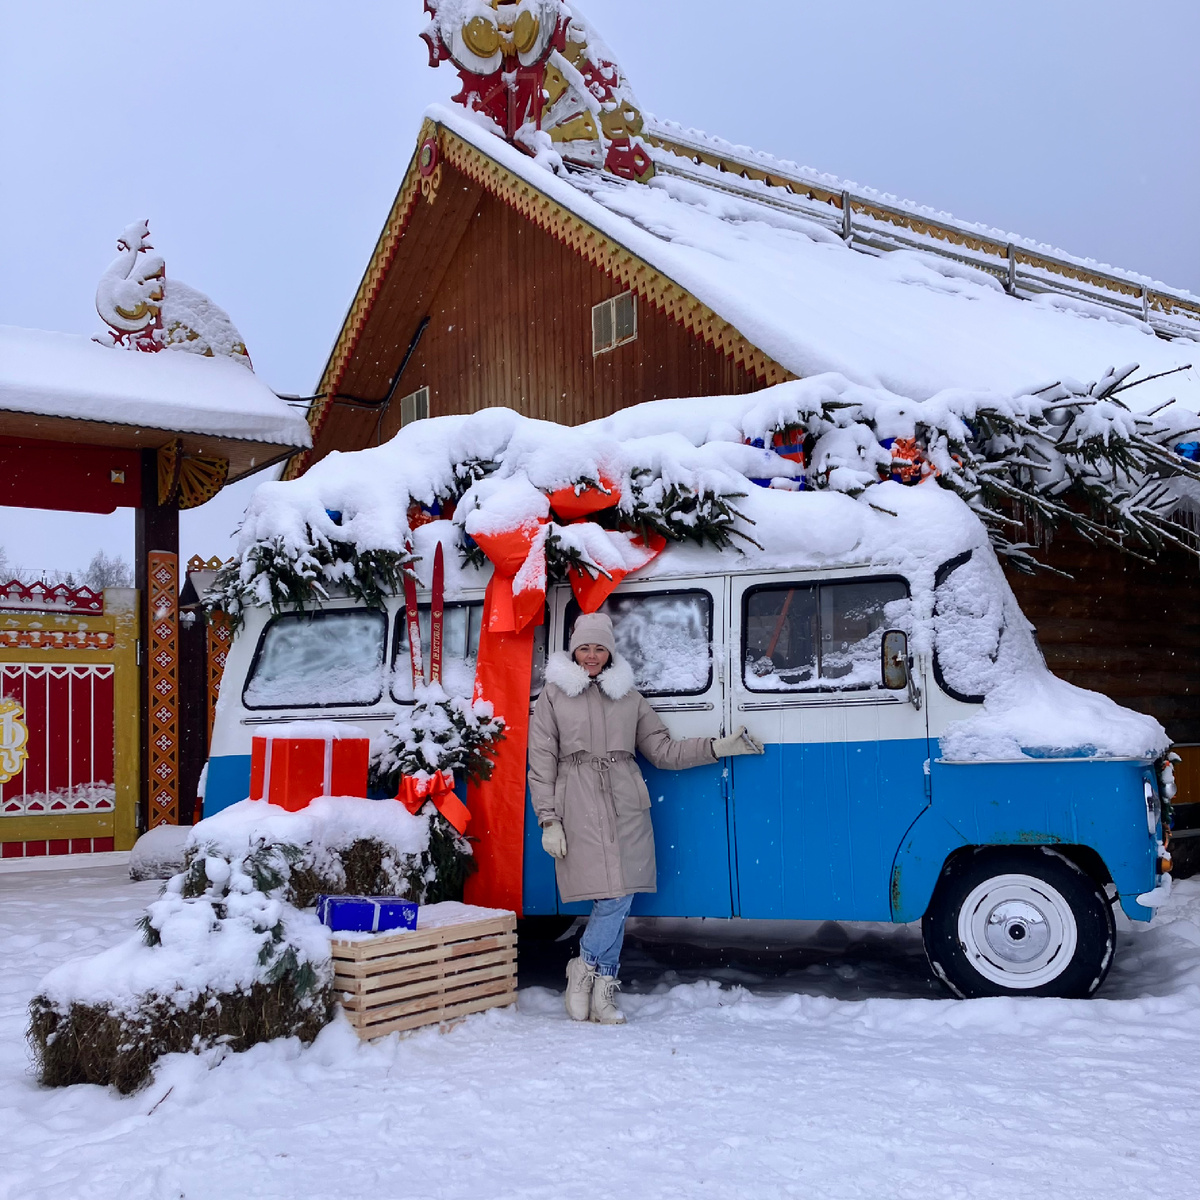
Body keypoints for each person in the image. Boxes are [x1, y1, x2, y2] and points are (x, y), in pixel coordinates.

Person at [527, 611, 763, 1024]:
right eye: (585, 647)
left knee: (621, 894)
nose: (592, 655)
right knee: (610, 897)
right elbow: (542, 761)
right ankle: (586, 968)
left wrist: (717, 748)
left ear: (610, 652)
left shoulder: (629, 697)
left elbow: (662, 750)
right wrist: (548, 819)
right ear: (574, 649)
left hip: (625, 800)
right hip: (577, 802)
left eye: (600, 647)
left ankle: (599, 983)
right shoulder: (552, 695)